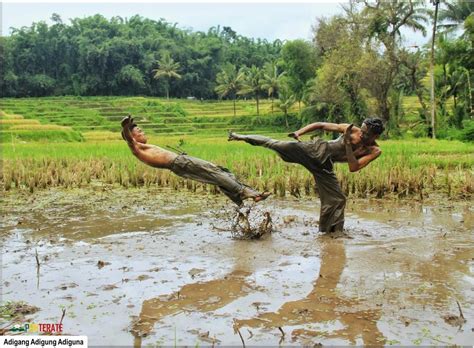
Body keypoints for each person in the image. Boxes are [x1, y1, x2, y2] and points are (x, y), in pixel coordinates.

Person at [228, 118, 385, 232]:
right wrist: (299, 131)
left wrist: (349, 146)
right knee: (275, 144)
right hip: (317, 150)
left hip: (324, 166)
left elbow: (353, 167)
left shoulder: (373, 150)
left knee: (338, 199)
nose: (361, 135)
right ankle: (239, 136)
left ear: (375, 136)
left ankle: (329, 231)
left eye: (366, 134)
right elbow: (321, 125)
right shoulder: (352, 130)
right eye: (362, 131)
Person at [120, 115, 270, 206]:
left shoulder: (143, 146)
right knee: (213, 172)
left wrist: (129, 125)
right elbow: (128, 138)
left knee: (220, 172)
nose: (143, 132)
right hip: (179, 163)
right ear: (132, 137)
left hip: (181, 161)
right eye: (139, 131)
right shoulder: (136, 147)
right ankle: (247, 193)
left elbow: (129, 135)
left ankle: (241, 200)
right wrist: (126, 126)